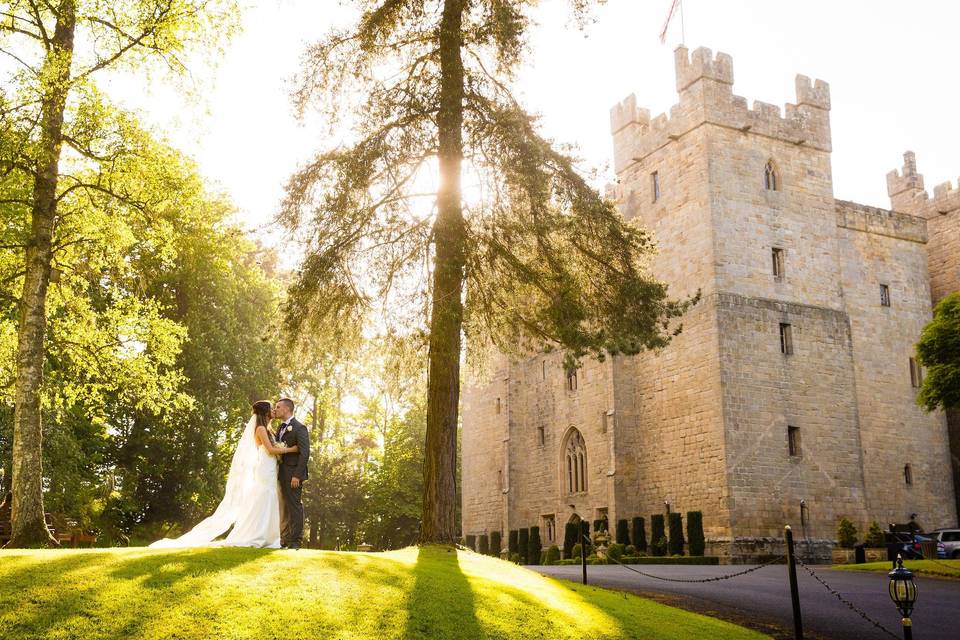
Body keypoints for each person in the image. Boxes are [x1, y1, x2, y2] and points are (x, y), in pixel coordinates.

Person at [149, 401, 297, 548]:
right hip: (264, 468)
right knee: (265, 496)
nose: (273, 410)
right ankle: (257, 535)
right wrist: (291, 450)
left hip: (270, 466)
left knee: (269, 497)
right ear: (265, 412)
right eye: (271, 408)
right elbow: (271, 450)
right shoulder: (260, 429)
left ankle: (269, 537)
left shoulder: (268, 428)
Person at [273, 397, 310, 549]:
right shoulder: (280, 428)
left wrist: (297, 475)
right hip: (281, 473)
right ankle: (285, 538)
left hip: (293, 474)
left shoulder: (299, 427)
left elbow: (305, 452)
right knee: (285, 508)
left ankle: (295, 540)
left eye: (278, 407)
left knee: (295, 506)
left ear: (287, 409)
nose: (275, 410)